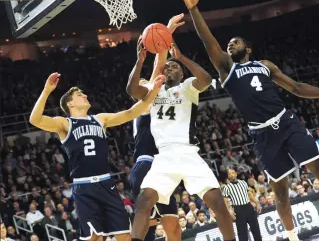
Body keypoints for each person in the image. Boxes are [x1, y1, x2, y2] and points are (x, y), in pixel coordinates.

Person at [181, 0, 319, 240]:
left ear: (247, 49)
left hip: (286, 122)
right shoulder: (226, 68)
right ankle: (292, 238)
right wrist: (194, 9)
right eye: (228, 44)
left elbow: (296, 87)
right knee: (280, 192)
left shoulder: (265, 65)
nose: (229, 45)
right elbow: (208, 41)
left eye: (235, 42)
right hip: (262, 135)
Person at [29, 60, 165, 240]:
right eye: (79, 94)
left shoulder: (100, 119)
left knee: (124, 235)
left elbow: (131, 113)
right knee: (95, 238)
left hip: (106, 184)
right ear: (70, 104)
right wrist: (46, 91)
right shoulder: (64, 123)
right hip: (84, 187)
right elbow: (35, 119)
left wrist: (153, 91)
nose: (84, 95)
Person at [129, 41, 236, 241]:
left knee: (218, 204)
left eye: (175, 66)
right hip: (163, 157)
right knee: (144, 200)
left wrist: (181, 57)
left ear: (182, 74)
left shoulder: (187, 87)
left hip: (188, 153)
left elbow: (205, 79)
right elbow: (132, 90)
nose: (170, 67)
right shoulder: (154, 91)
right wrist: (140, 59)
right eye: (167, 65)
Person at [127, 14, 185, 241]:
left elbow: (159, 69)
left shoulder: (154, 100)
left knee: (173, 227)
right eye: (143, 83)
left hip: (163, 166)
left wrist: (166, 34)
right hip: (146, 165)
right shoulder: (142, 105)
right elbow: (158, 65)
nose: (147, 82)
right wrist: (167, 30)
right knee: (145, 228)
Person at [222, 168, 262, 241]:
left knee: (256, 230)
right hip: (238, 210)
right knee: (242, 234)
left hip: (248, 207)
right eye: (229, 174)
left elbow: (249, 194)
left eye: (232, 173)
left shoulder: (243, 182)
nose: (231, 175)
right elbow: (225, 202)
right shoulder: (227, 187)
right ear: (228, 176)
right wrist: (230, 211)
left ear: (236, 174)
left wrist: (257, 204)